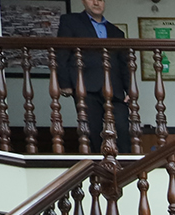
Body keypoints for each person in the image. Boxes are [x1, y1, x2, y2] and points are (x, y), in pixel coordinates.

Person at [55, 0, 134, 155]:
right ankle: (97, 164)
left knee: (123, 128)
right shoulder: (71, 21)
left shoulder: (116, 32)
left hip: (114, 88)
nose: (97, 2)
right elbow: (62, 53)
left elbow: (124, 64)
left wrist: (130, 88)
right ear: (83, 1)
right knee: (92, 129)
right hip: (86, 86)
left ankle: (126, 163)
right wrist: (64, 83)